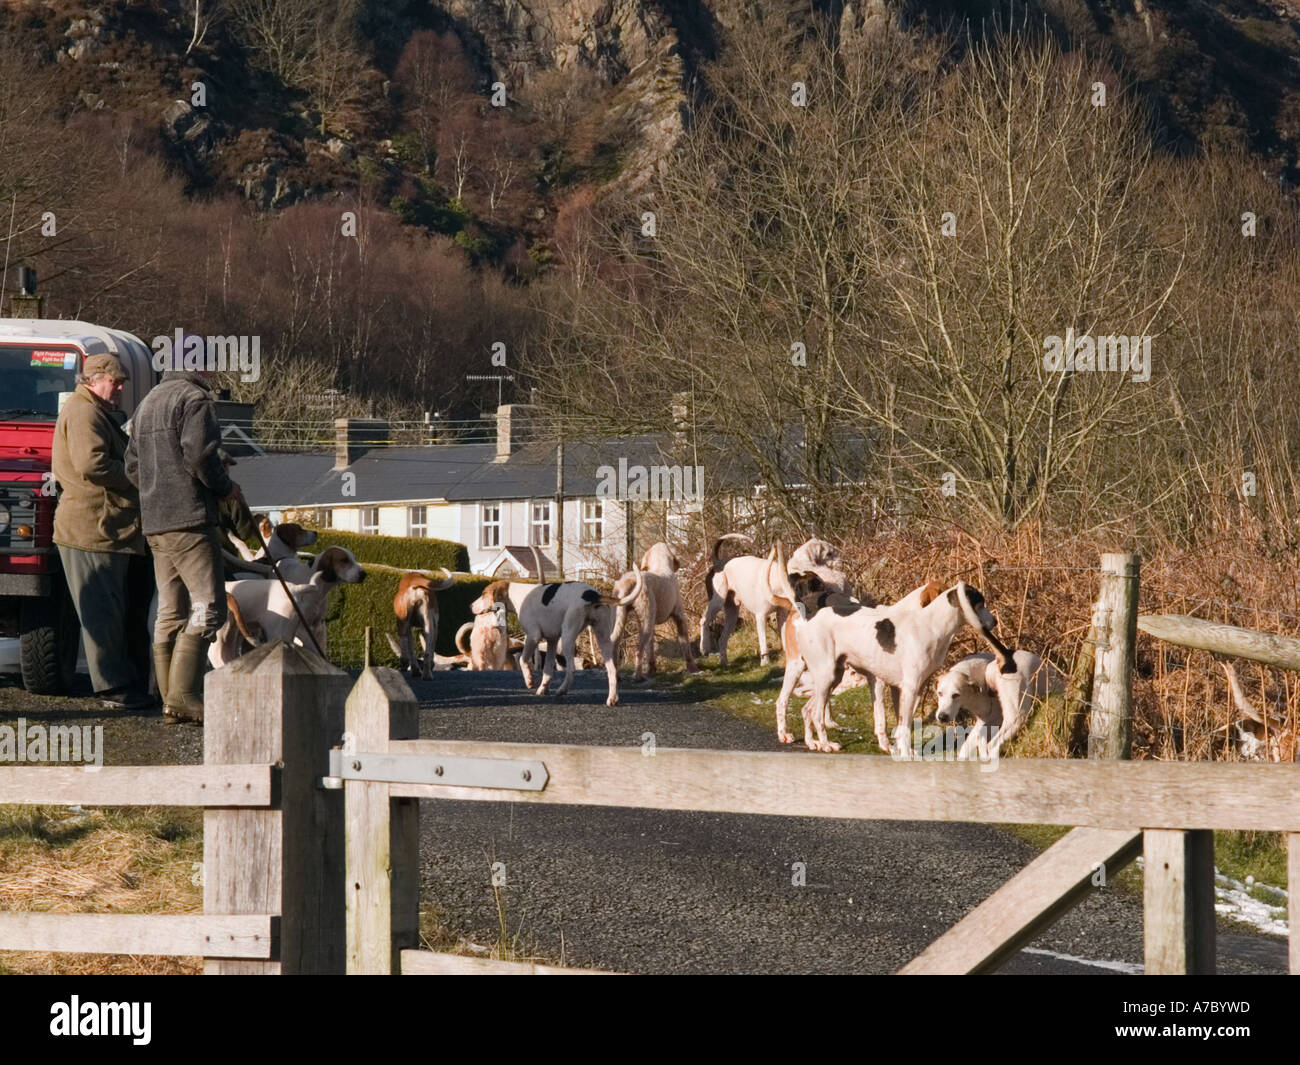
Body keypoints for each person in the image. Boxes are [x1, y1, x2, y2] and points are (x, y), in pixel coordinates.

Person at [126, 359, 241, 724]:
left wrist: (153, 492)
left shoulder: (147, 402)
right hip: (190, 519)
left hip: (154, 522)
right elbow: (200, 456)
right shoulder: (195, 399)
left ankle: (168, 701)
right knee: (210, 609)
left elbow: (131, 466)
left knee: (170, 610)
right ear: (202, 367)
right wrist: (225, 488)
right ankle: (184, 697)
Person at [51, 353, 154, 709]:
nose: (122, 388)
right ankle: (113, 689)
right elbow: (93, 465)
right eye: (116, 381)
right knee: (103, 615)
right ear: (93, 380)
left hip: (102, 528)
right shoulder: (84, 413)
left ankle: (122, 685)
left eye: (123, 381)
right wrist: (141, 475)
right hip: (93, 530)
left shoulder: (90, 411)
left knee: (111, 612)